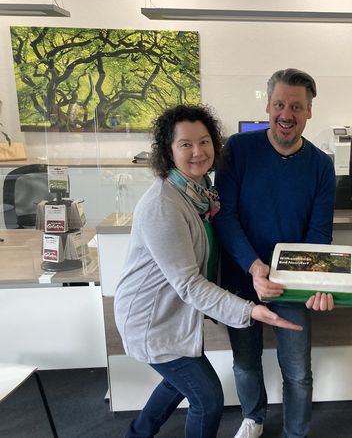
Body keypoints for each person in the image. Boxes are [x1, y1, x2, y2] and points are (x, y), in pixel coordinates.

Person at [113, 104, 304, 438]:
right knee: (208, 398)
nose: (198, 152)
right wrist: (249, 310)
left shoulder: (200, 194)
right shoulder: (164, 205)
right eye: (185, 144)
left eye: (204, 142)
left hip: (172, 317)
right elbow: (189, 283)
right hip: (151, 321)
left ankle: (136, 434)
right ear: (169, 151)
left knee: (178, 383)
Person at [214, 68, 336, 438]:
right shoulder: (238, 149)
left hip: (293, 285)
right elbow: (225, 216)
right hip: (242, 276)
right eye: (280, 104)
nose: (287, 114)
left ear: (309, 111)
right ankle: (253, 418)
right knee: (245, 362)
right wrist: (254, 267)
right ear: (268, 106)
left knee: (297, 370)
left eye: (296, 106)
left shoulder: (321, 166)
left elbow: (318, 236)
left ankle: (295, 432)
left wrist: (297, 279)